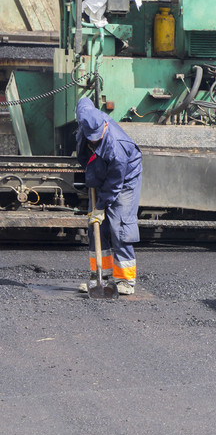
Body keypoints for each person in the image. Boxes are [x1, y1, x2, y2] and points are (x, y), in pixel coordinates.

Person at [75, 96, 142, 295]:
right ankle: (100, 276)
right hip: (100, 171)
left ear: (104, 126)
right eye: (90, 136)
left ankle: (125, 281)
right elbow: (83, 101)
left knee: (119, 226)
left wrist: (101, 207)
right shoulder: (86, 118)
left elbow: (115, 184)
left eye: (97, 135)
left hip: (124, 181)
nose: (94, 139)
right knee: (95, 226)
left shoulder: (117, 147)